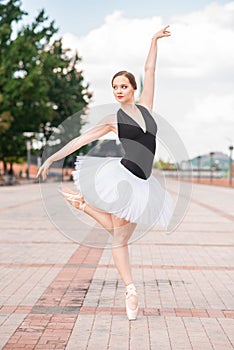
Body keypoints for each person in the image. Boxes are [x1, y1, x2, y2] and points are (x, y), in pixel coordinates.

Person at [37, 25, 172, 321]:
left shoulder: (147, 107)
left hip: (144, 183)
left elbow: (150, 70)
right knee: (119, 239)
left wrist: (153, 40)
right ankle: (131, 290)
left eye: (123, 86)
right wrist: (51, 158)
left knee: (117, 233)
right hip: (125, 177)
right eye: (115, 88)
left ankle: (83, 205)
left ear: (133, 89)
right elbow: (78, 141)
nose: (119, 91)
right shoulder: (114, 120)